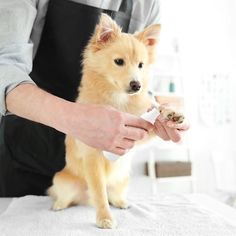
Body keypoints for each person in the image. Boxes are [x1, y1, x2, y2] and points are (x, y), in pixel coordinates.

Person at [0, 0, 189, 197]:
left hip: (98, 175)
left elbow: (137, 83)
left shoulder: (147, 4)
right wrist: (75, 119)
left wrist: (156, 116)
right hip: (25, 157)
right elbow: (4, 67)